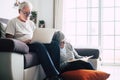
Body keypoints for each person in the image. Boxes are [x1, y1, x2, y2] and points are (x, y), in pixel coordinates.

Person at [5, 1, 61, 80]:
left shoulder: (31, 23)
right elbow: (9, 40)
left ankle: (58, 74)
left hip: (34, 42)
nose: (28, 15)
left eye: (29, 13)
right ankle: (53, 76)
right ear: (19, 11)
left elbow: (36, 34)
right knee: (38, 45)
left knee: (54, 44)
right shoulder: (13, 22)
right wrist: (24, 42)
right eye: (25, 13)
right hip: (24, 45)